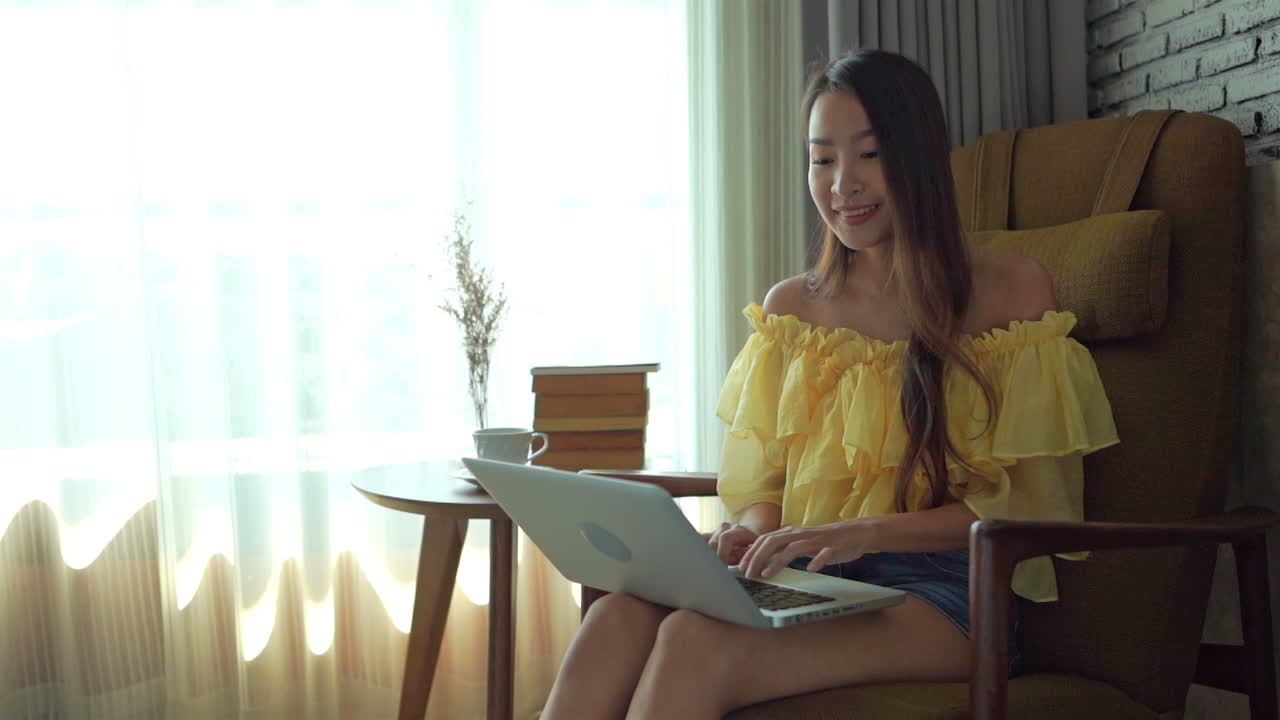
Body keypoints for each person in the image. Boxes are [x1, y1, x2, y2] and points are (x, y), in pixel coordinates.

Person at [541, 49, 1119, 720]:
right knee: (619, 616)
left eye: (868, 154)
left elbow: (1026, 510)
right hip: (812, 582)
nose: (842, 184)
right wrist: (745, 535)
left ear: (919, 156)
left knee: (695, 643)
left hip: (946, 600)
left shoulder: (1011, 292)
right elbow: (767, 494)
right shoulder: (792, 314)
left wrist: (861, 532)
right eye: (822, 159)